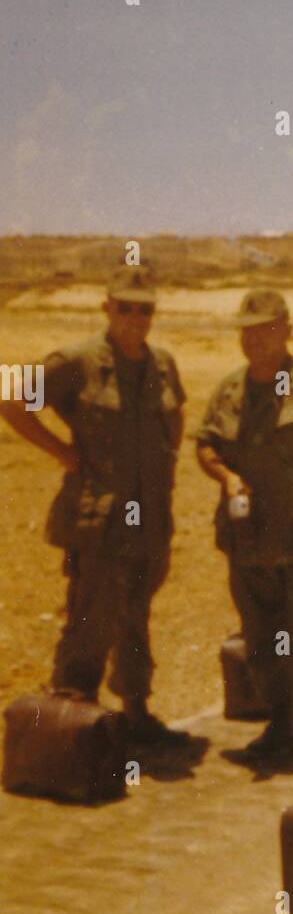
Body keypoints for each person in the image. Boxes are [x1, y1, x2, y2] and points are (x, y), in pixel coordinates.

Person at [0, 265, 188, 741]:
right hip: (98, 519)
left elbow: (176, 416)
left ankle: (136, 713)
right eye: (124, 307)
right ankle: (69, 730)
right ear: (106, 308)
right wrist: (61, 451)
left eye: (144, 309)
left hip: (149, 519)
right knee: (89, 620)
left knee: (136, 618)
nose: (134, 317)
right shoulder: (78, 362)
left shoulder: (162, 365)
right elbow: (11, 398)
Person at [195, 288, 293, 770]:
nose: (256, 340)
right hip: (249, 540)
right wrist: (227, 477)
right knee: (262, 636)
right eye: (248, 331)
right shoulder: (230, 390)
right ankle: (280, 727)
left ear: (287, 329)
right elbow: (205, 446)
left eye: (267, 329)